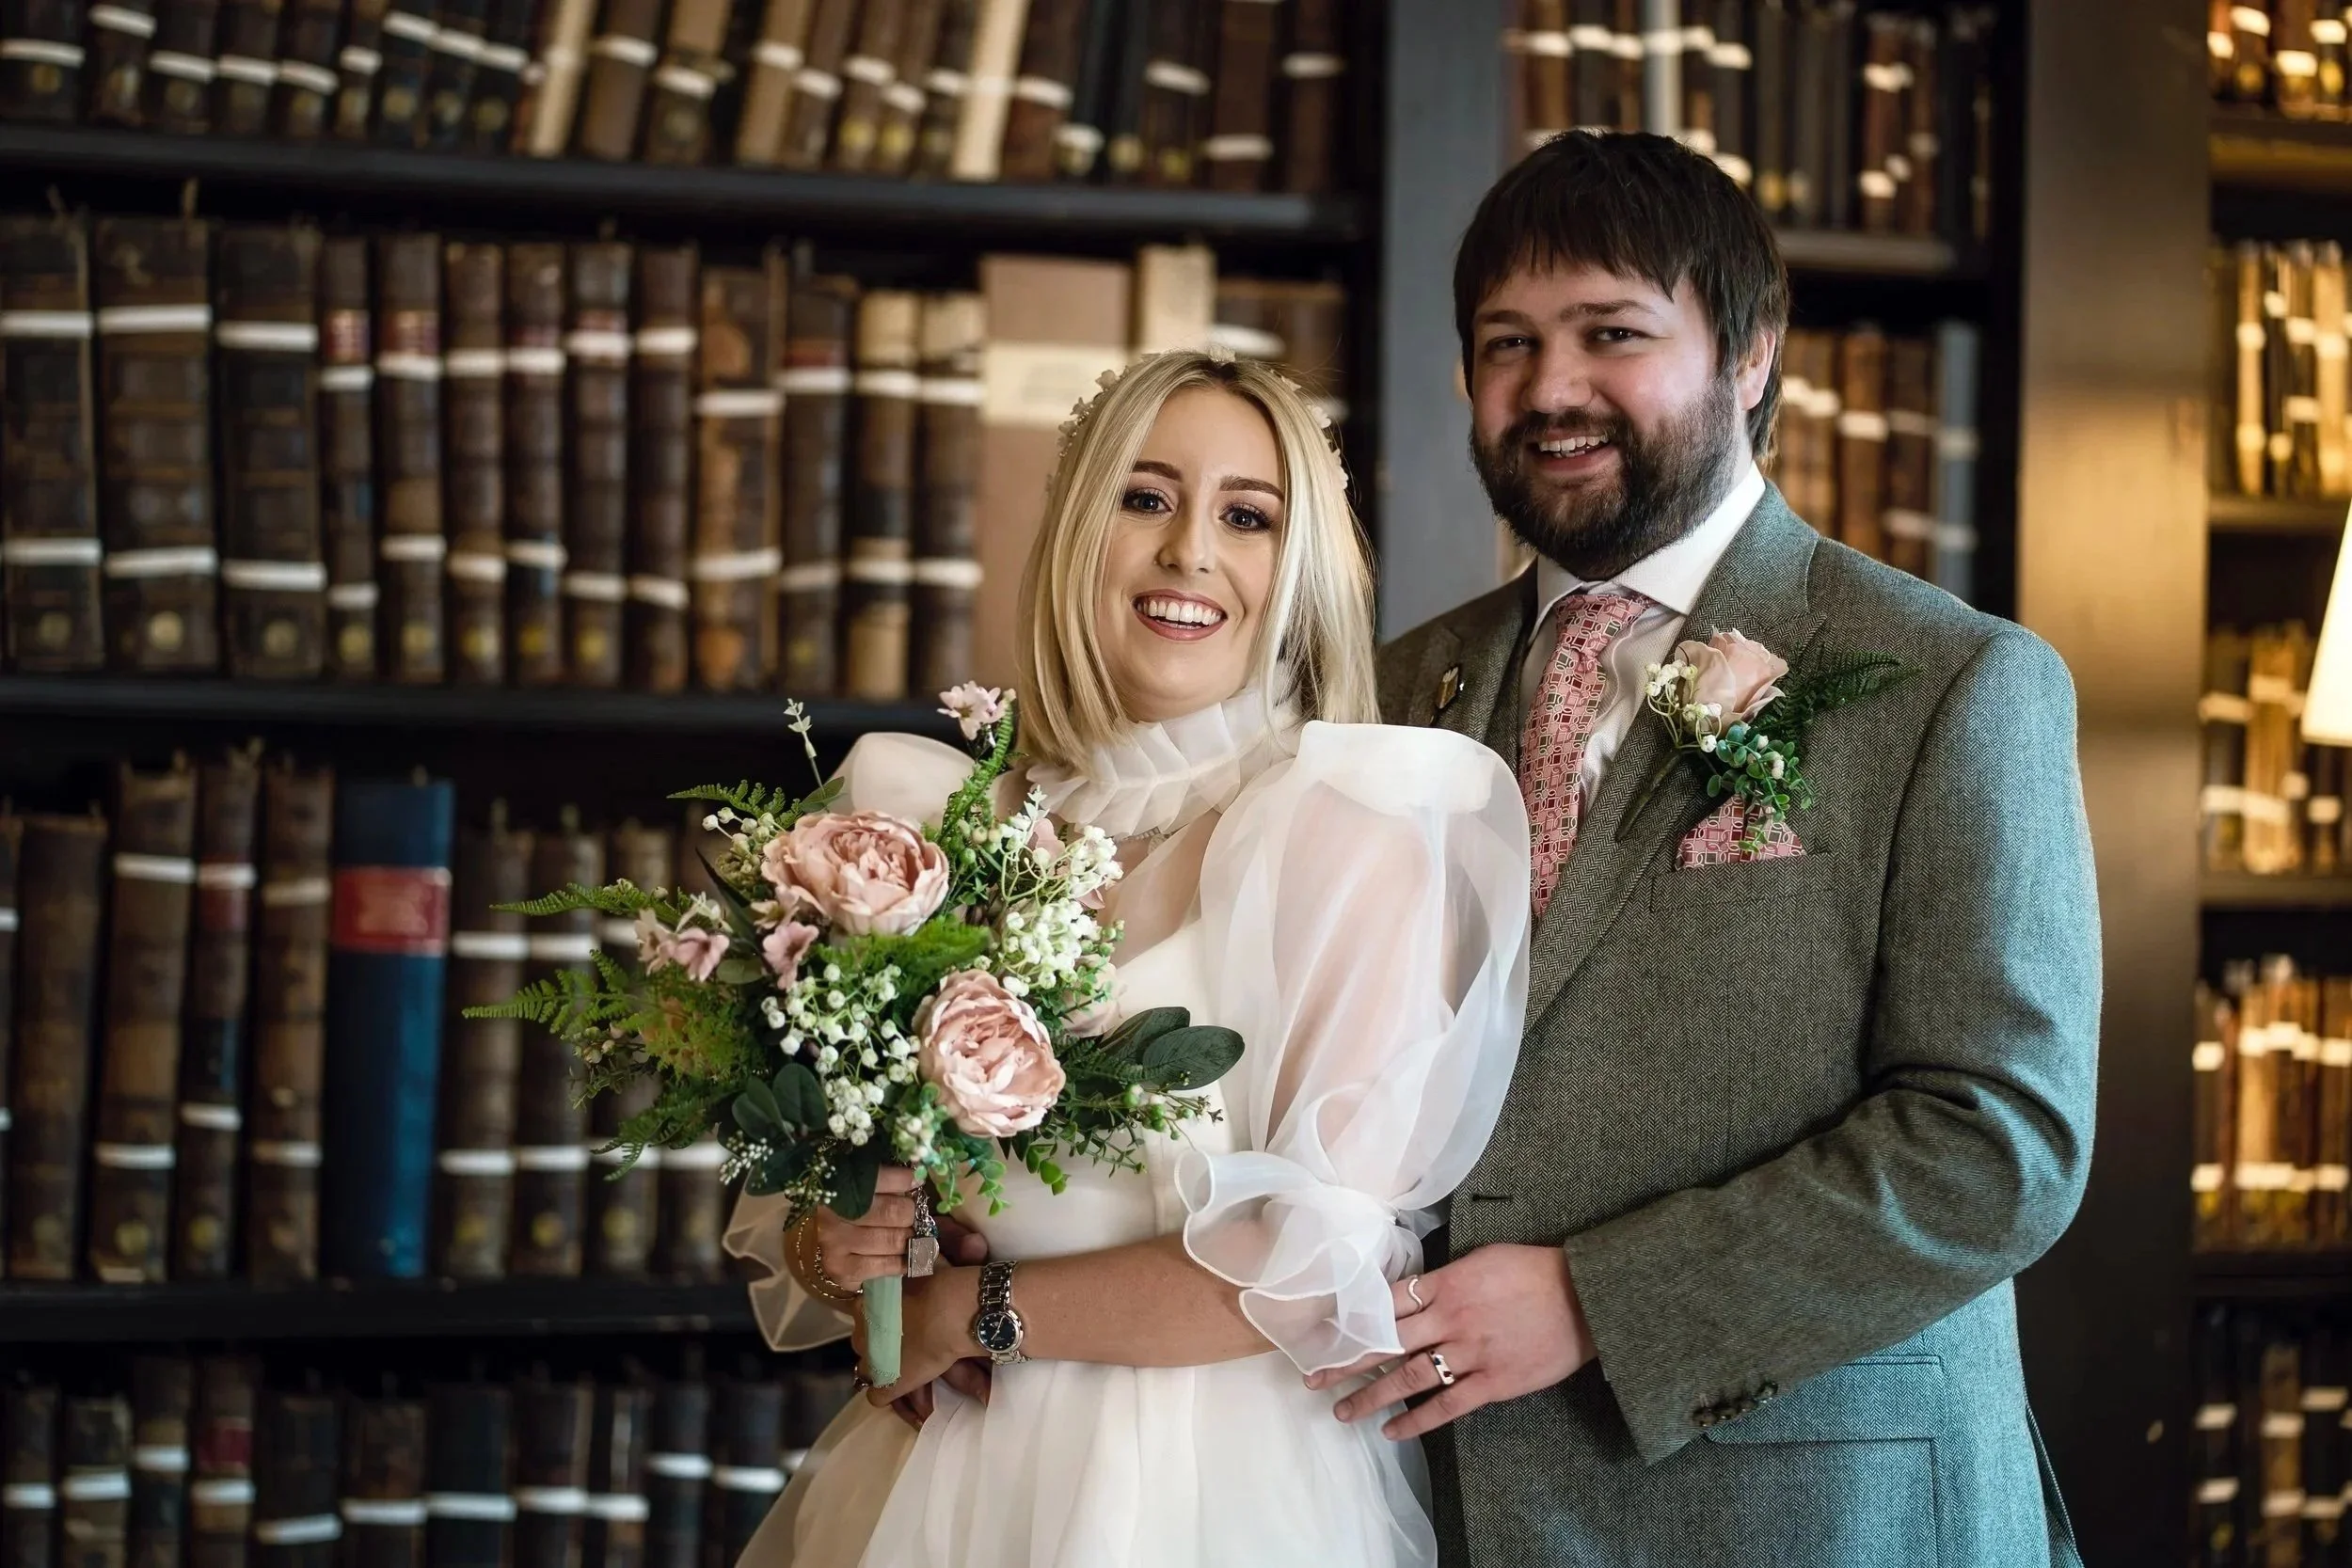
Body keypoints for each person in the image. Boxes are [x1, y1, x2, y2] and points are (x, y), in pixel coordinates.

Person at [1334, 130, 2099, 1567]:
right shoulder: (1385, 693)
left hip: (1820, 1516)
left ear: (1751, 353)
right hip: (1449, 1509)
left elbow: (2001, 1142)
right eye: (1507, 343)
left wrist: (1599, 1298)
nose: (1550, 389)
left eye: (1611, 334)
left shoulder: (1952, 677)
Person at [723, 348, 1534, 1567]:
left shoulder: (1346, 828)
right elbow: (853, 1205)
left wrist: (978, 1311)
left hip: (1209, 1486)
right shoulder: (937, 824)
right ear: (1078, 528)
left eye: (1246, 516)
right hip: (945, 1474)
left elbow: (1308, 1269)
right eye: (1146, 497)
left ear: (1296, 565)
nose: (1189, 552)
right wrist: (847, 1250)